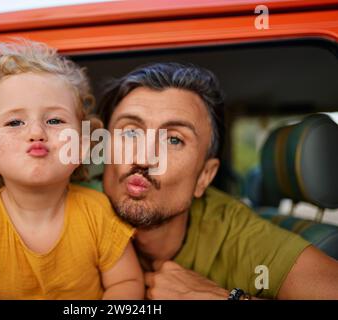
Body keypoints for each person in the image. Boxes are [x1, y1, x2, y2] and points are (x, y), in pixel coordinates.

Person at [97, 62, 338, 299]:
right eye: (130, 133)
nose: (143, 157)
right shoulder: (67, 208)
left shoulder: (237, 234)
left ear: (205, 176)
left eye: (173, 140)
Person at [0, 40, 144, 300]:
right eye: (15, 122)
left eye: (54, 120)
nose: (36, 132)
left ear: (82, 147)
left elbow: (127, 282)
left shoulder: (98, 212)